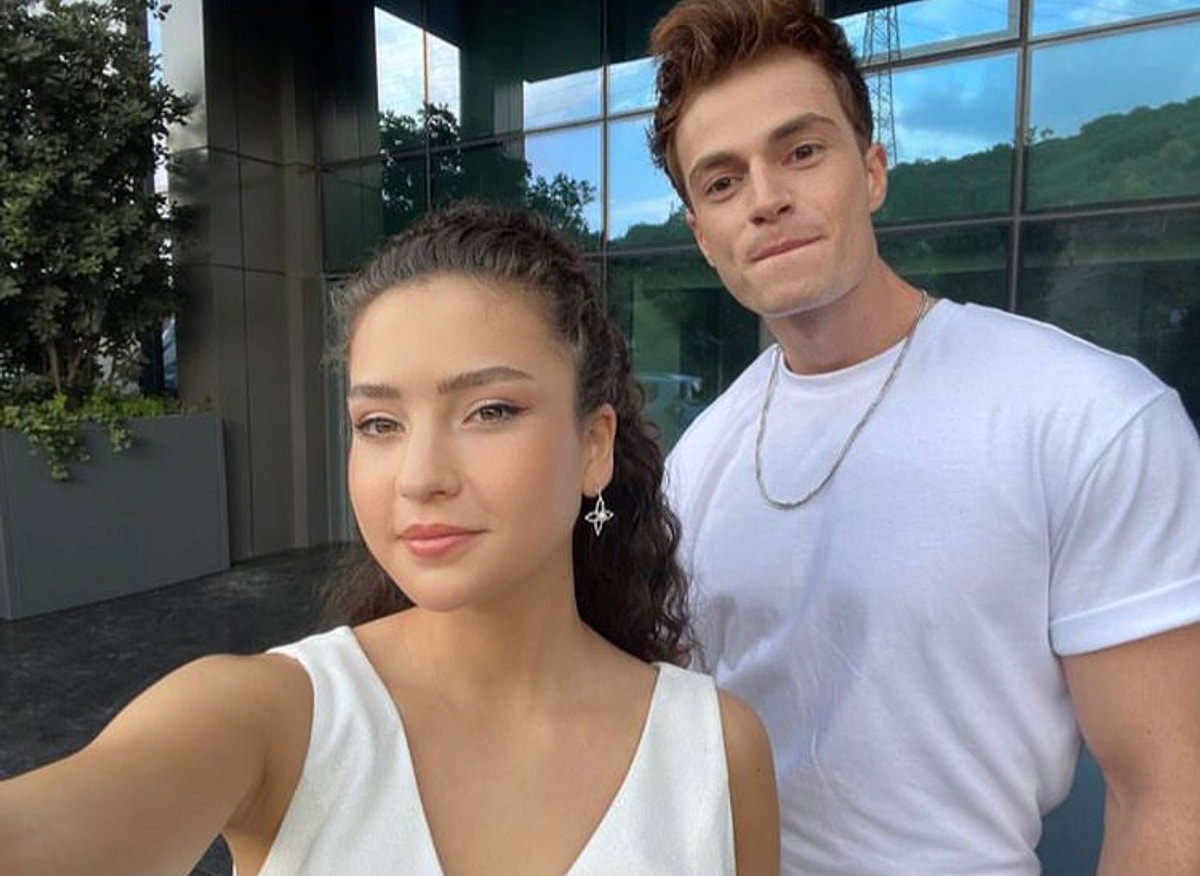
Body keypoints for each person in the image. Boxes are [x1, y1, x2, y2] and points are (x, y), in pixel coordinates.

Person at [0, 203, 780, 875]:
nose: (419, 477)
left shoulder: (714, 749)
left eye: (490, 411)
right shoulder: (274, 719)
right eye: (379, 423)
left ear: (594, 446)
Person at [646, 1, 1200, 873]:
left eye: (801, 151)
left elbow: (1169, 794)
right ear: (702, 237)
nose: (766, 199)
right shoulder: (695, 464)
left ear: (872, 171)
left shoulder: (1087, 416)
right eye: (721, 182)